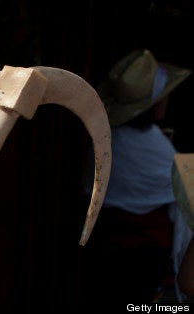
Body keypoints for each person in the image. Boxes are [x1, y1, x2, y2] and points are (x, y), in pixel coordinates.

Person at [80, 49, 193, 309]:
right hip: (143, 258)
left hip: (109, 253)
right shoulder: (145, 145)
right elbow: (183, 182)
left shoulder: (107, 139)